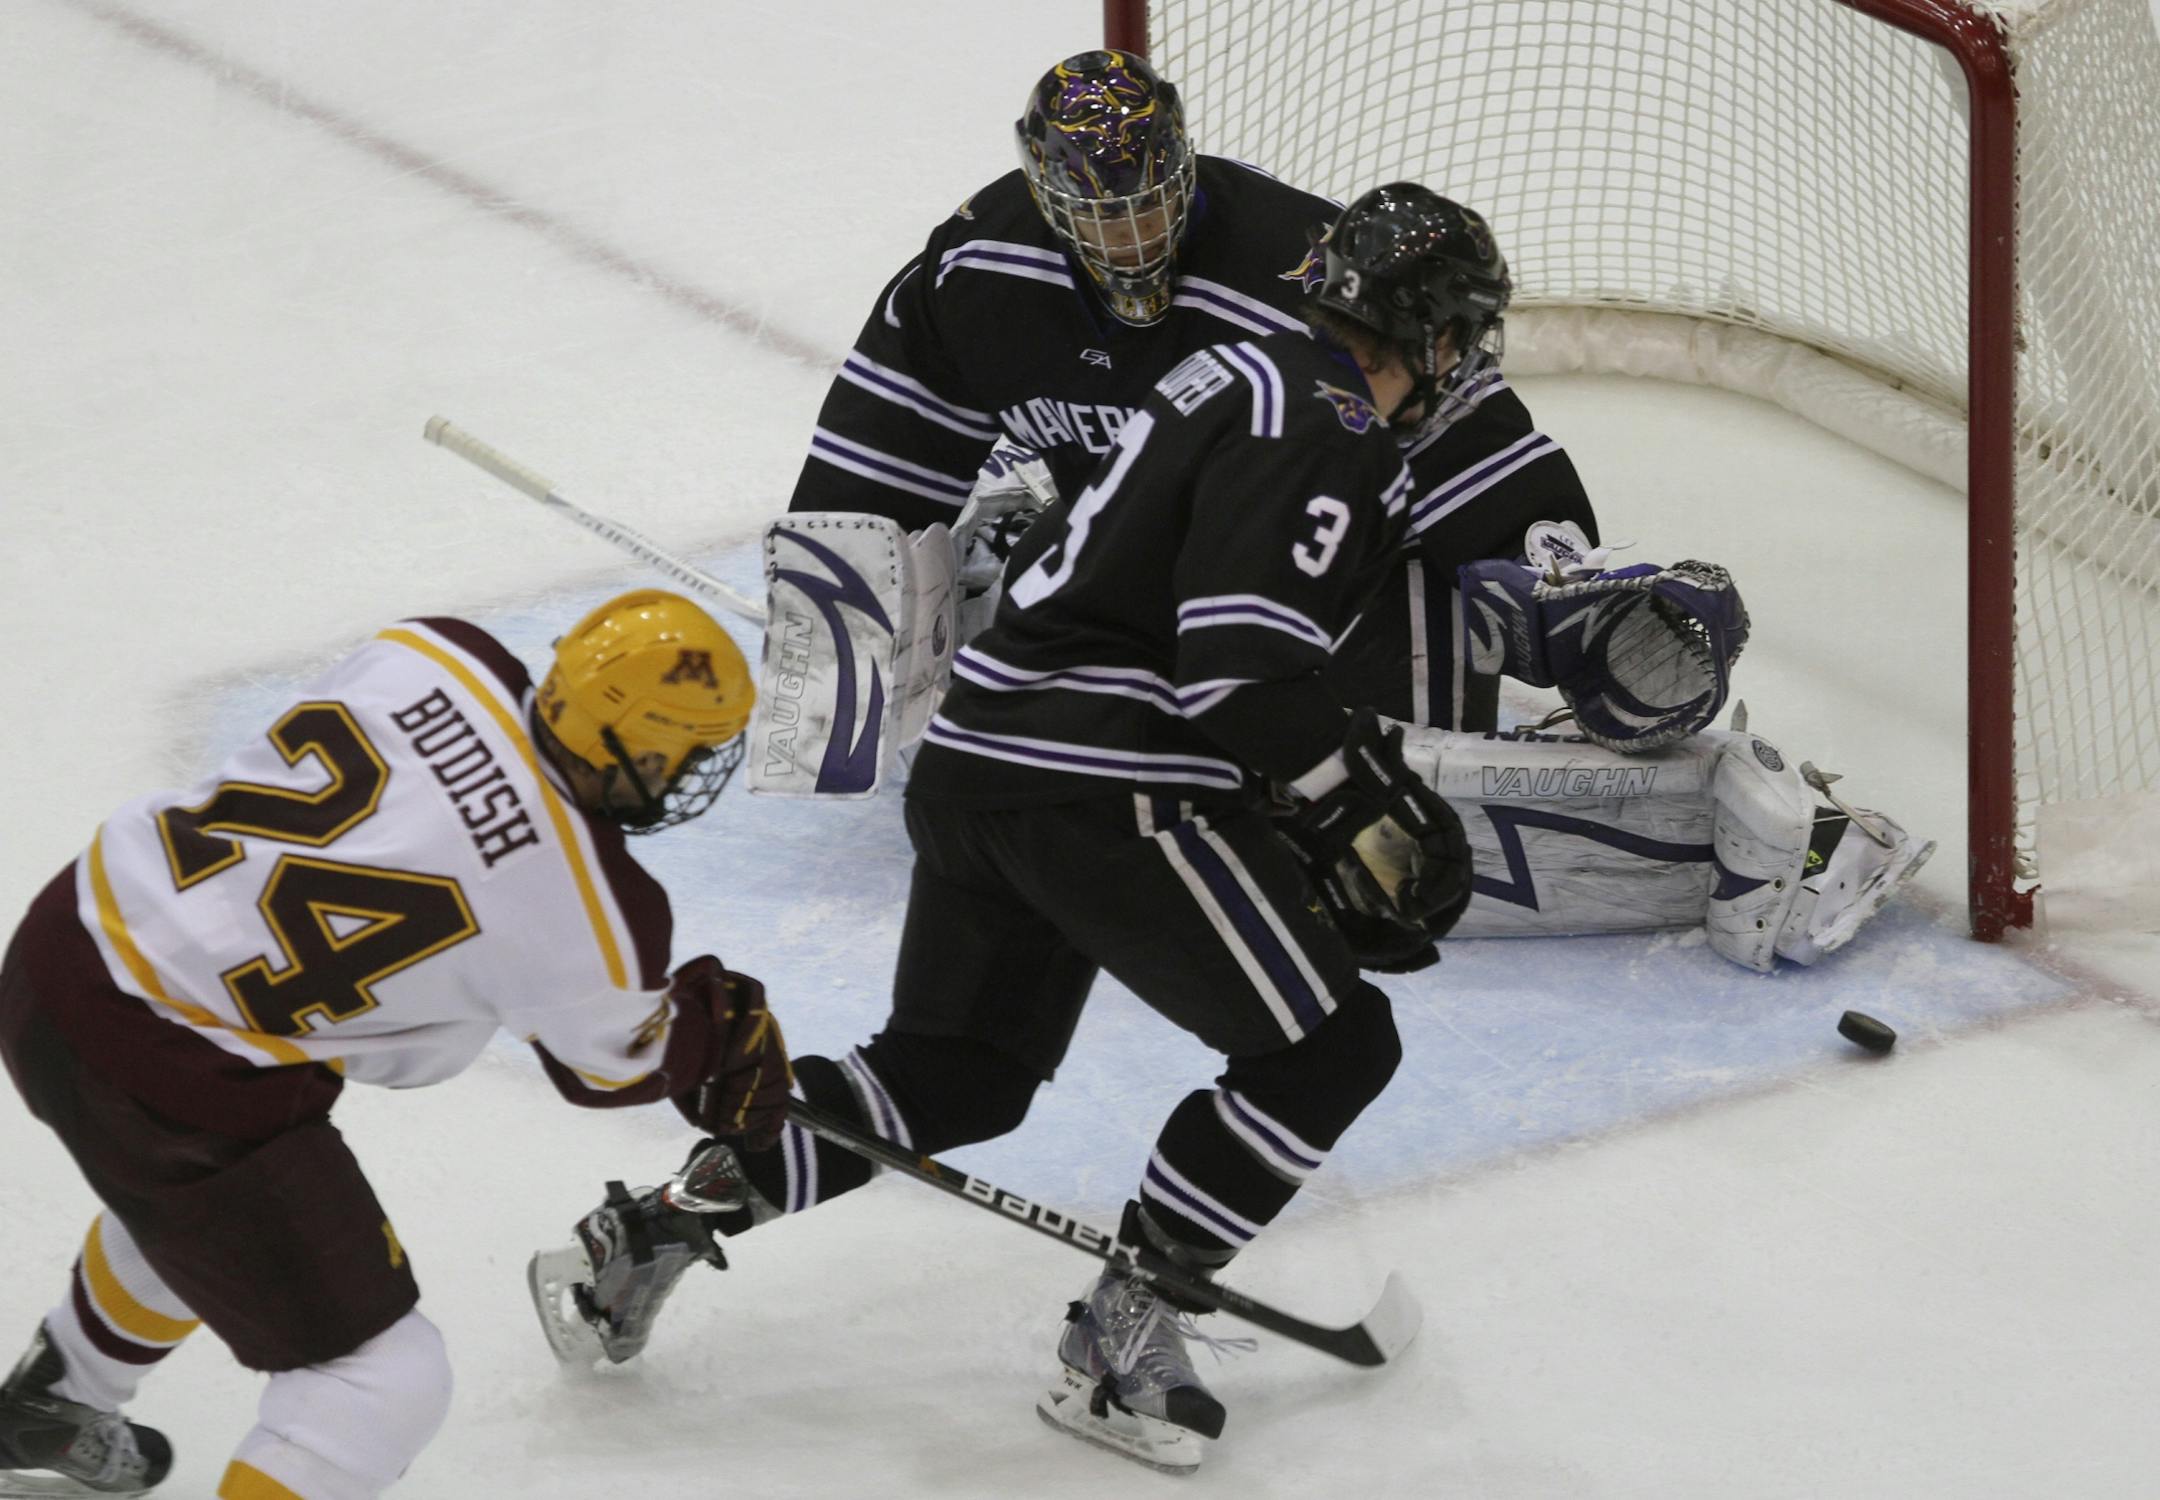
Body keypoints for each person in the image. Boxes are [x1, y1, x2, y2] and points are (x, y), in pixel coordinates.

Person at [535, 184, 1498, 1476]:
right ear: (1431, 336)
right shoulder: (1324, 416)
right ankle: (1125, 1336)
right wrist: (1347, 797)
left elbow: (1201, 625)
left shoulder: (1234, 371)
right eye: (1463, 339)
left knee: (954, 1075)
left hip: (982, 765)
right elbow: (1233, 665)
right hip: (1100, 783)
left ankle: (653, 1229)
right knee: (1328, 1049)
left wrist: (1317, 780)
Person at [0, 592, 792, 1499]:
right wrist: (716, 1036)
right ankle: (63, 1396)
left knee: (202, 1217)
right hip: (168, 1068)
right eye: (693, 751)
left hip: (67, 939)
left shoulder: (435, 651)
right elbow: (614, 1066)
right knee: (381, 1383)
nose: (695, 772)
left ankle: (55, 1402)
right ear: (643, 749)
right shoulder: (595, 914)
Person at [785, 47, 1595, 730]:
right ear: (1042, 192)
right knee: (1052, 616)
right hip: (1127, 556)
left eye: (1148, 203)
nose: (1134, 239)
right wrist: (828, 658)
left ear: (1183, 163)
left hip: (1312, 557)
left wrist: (1570, 606)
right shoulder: (980, 272)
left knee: (1377, 640)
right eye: (1103, 215)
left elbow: (1457, 434)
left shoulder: (1298, 270)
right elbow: (878, 455)